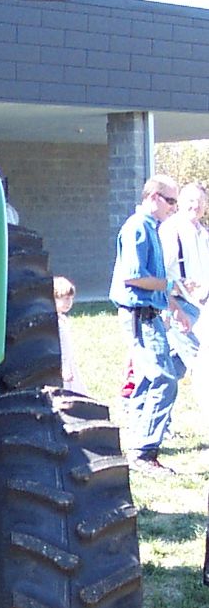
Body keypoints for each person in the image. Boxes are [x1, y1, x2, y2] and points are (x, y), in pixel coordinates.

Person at [109, 174, 189, 474]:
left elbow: (151, 280)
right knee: (163, 378)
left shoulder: (151, 227)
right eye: (171, 201)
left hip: (148, 313)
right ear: (153, 197)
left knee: (147, 378)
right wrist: (173, 285)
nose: (173, 208)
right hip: (139, 315)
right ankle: (144, 453)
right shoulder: (138, 227)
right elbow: (133, 276)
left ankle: (137, 443)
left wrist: (174, 306)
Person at [159, 181, 209, 375]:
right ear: (179, 202)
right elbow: (158, 273)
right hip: (179, 307)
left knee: (174, 368)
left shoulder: (203, 234)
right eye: (190, 200)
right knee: (200, 363)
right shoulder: (172, 230)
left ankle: (138, 397)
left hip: (200, 308)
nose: (195, 206)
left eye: (200, 201)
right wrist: (173, 296)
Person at [53, 275, 85, 394]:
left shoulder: (63, 320)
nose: (69, 302)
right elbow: (63, 346)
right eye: (64, 298)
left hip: (69, 363)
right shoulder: (56, 323)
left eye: (70, 298)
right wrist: (64, 367)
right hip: (63, 365)